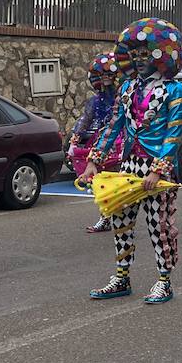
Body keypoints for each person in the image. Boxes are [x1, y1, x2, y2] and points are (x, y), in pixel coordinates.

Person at [80, 18, 182, 305]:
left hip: (157, 169)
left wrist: (158, 169)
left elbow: (174, 132)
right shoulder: (126, 88)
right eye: (135, 55)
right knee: (121, 221)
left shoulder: (174, 90)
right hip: (129, 165)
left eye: (146, 55)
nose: (139, 61)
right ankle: (121, 276)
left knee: (158, 226)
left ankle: (164, 280)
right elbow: (114, 125)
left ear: (161, 57)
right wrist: (94, 161)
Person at [70, 51, 129, 233]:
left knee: (115, 183)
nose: (105, 78)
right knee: (98, 183)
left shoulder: (124, 97)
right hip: (100, 144)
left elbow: (127, 120)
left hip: (118, 144)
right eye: (102, 75)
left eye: (109, 74)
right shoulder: (95, 101)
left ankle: (118, 216)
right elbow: (85, 119)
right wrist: (76, 136)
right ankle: (105, 216)